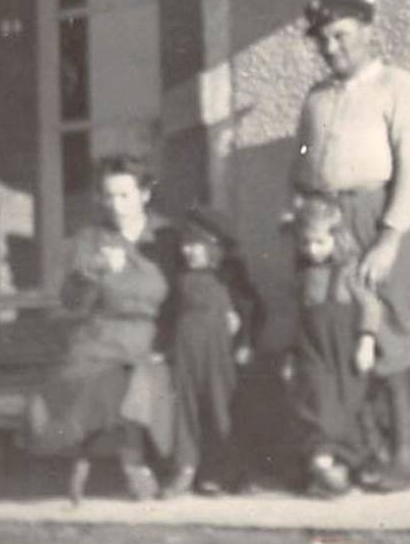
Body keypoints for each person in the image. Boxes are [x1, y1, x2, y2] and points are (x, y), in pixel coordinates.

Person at [291, 0, 410, 493]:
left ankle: (407, 454)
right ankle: (346, 452)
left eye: (341, 35)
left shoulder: (397, 87)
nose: (331, 47)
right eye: (323, 40)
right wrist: (301, 217)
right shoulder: (317, 99)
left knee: (387, 329)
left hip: (374, 216)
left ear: (366, 31)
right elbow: (303, 164)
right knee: (331, 335)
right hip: (323, 223)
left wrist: (389, 238)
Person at [23, 155, 175, 503]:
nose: (116, 205)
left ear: (145, 195)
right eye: (108, 196)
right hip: (99, 340)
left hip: (149, 340)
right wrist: (91, 271)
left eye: (124, 195)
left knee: (142, 376)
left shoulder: (166, 237)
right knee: (106, 378)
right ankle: (120, 461)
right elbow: (71, 303)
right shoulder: (90, 240)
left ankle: (131, 463)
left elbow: (183, 295)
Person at [283, 192, 388, 497]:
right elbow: (297, 319)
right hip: (313, 353)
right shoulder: (303, 277)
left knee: (346, 407)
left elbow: (371, 307)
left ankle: (337, 467)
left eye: (319, 242)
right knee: (318, 402)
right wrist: (290, 355)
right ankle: (322, 462)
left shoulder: (349, 273)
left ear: (336, 238)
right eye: (306, 244)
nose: (312, 250)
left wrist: (366, 341)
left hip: (345, 353)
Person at [159, 204, 261, 498]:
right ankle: (185, 469)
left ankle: (231, 472)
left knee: (223, 408)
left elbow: (252, 311)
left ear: (215, 247)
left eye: (197, 245)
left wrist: (244, 342)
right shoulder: (179, 278)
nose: (189, 251)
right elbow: (167, 315)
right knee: (185, 408)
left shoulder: (229, 277)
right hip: (185, 352)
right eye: (185, 245)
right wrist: (163, 348)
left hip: (219, 354)